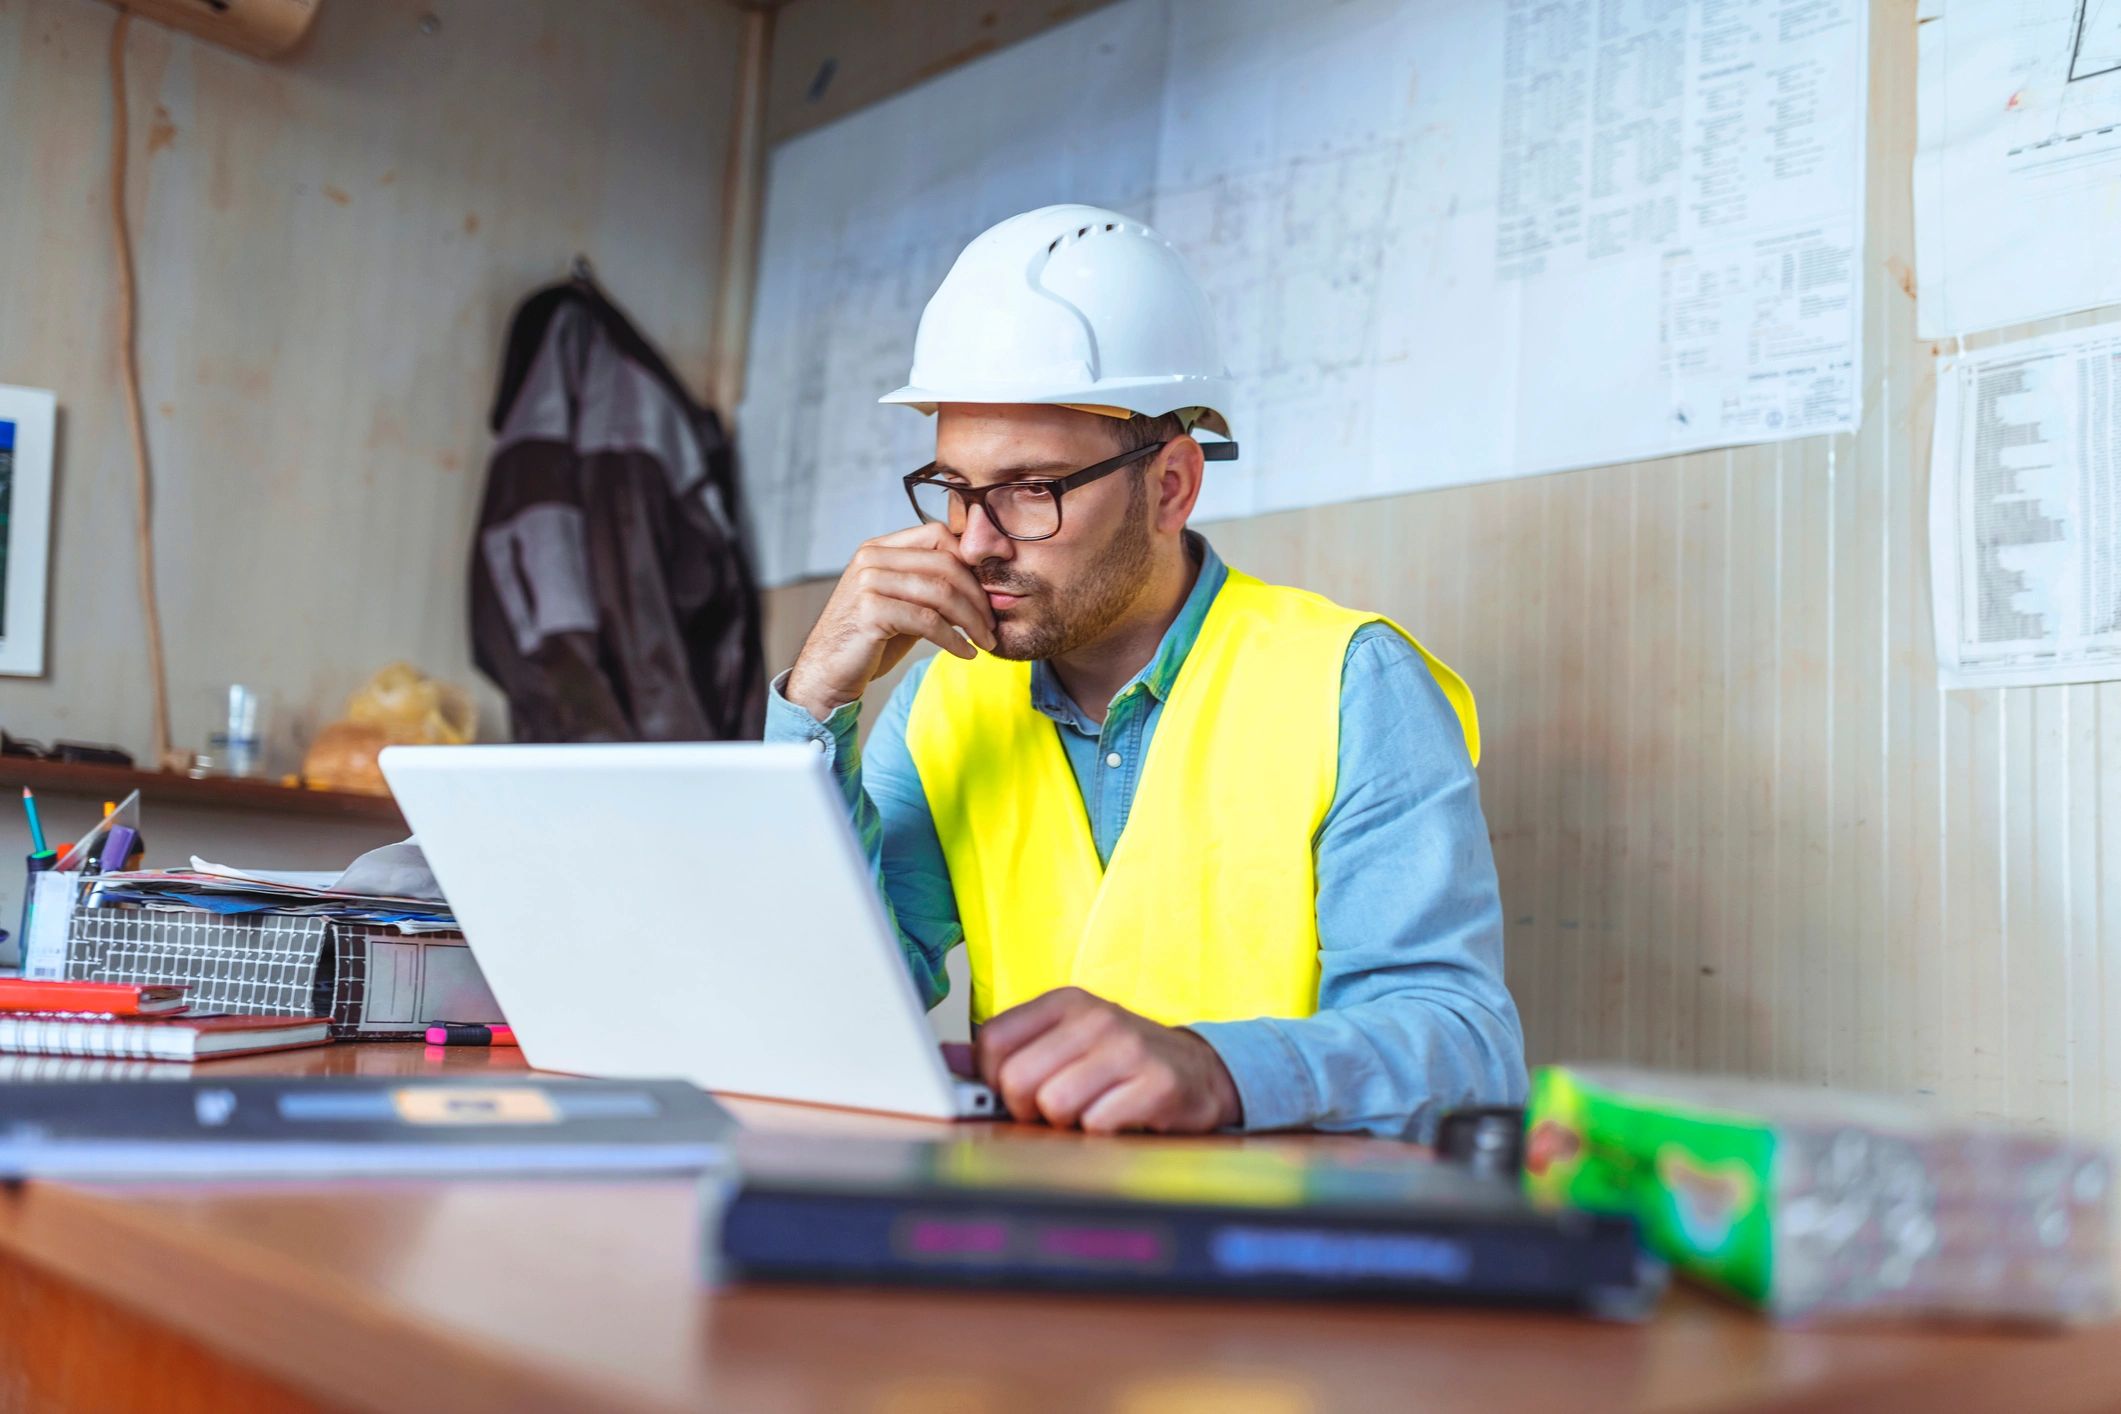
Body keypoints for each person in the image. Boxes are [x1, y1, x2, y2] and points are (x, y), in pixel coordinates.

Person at [766, 204, 1526, 1138]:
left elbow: (1465, 1047)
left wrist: (1220, 1070)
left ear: (1169, 485)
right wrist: (814, 703)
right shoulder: (942, 698)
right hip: (1033, 1226)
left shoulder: (1348, 682)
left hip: (1277, 1242)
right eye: (955, 491)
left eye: (1029, 492)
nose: (972, 543)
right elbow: (817, 1000)